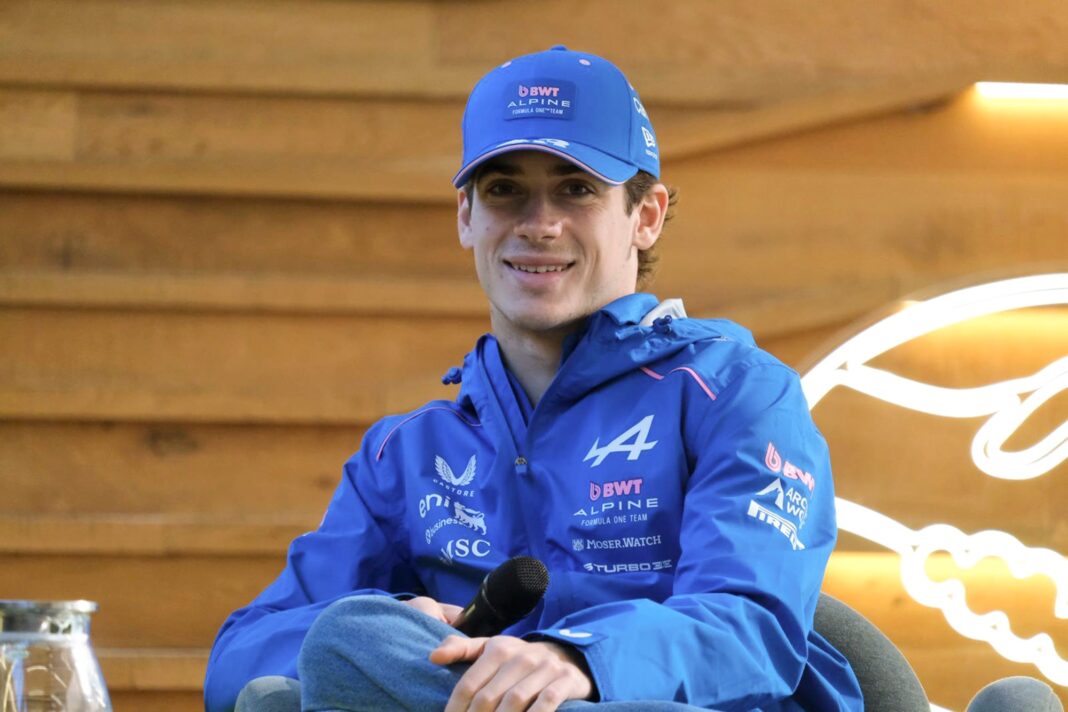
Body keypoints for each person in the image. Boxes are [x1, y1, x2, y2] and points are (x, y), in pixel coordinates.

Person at [204, 45, 865, 712]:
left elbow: (751, 626)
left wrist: (578, 657)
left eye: (576, 189)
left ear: (646, 216)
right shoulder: (404, 454)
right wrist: (405, 621)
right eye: (504, 190)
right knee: (340, 644)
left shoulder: (739, 393)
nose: (539, 225)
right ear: (466, 217)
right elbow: (239, 657)